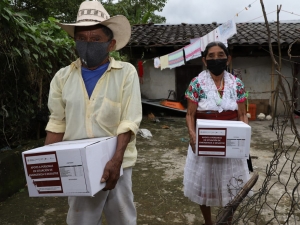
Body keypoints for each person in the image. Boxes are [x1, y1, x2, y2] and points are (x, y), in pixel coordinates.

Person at [44, 1, 142, 225]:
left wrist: (116, 160)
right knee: (81, 220)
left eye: (96, 39)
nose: (87, 44)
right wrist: (47, 165)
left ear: (111, 44)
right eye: (81, 39)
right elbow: (57, 123)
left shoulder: (126, 73)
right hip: (78, 164)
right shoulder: (62, 77)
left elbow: (129, 120)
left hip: (119, 161)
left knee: (123, 218)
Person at [183, 41, 250, 225]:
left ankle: (227, 220)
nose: (216, 59)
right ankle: (208, 222)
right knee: (205, 186)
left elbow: (242, 114)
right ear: (205, 61)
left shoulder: (237, 84)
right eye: (211, 56)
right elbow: (190, 114)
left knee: (231, 186)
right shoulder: (197, 83)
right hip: (205, 143)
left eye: (220, 55)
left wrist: (244, 139)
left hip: (231, 144)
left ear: (228, 59)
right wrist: (192, 134)